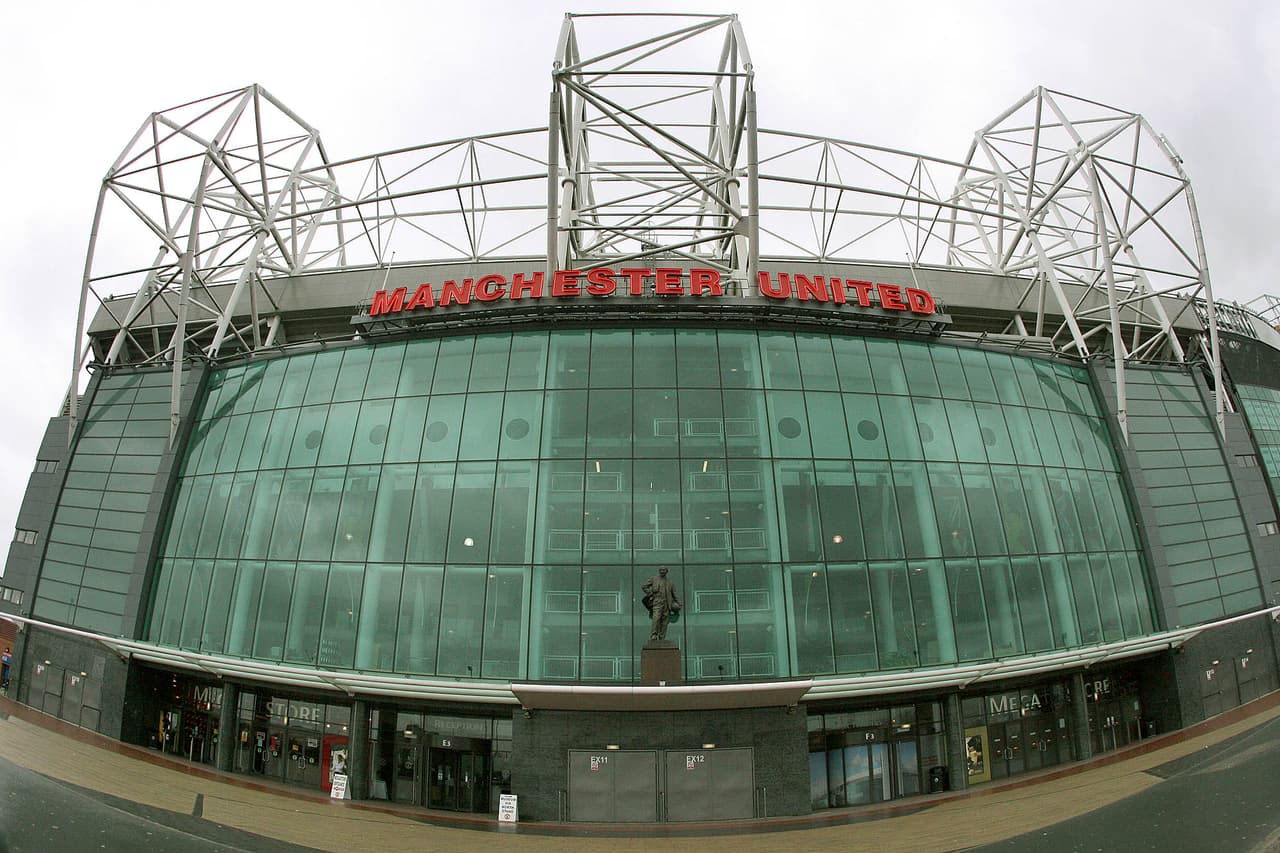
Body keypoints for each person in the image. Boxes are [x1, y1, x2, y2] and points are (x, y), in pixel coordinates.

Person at [641, 567, 681, 641]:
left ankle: (662, 636)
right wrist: (650, 593)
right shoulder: (654, 579)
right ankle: (654, 634)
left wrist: (679, 603)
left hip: (667, 603)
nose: (662, 571)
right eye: (661, 570)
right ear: (659, 571)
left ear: (666, 571)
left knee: (665, 621)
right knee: (656, 618)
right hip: (657, 602)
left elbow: (674, 594)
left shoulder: (670, 582)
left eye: (664, 570)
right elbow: (644, 586)